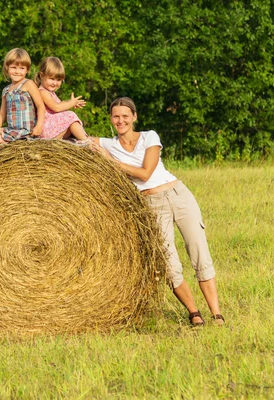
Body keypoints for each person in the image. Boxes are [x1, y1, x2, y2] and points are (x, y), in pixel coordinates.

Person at [95, 97, 225, 327]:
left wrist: (110, 162)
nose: (121, 120)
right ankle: (194, 313)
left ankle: (217, 314)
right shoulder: (108, 144)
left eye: (125, 116)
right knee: (169, 265)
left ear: (134, 117)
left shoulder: (149, 136)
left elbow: (145, 173)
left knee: (199, 254)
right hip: (151, 205)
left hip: (178, 196)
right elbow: (75, 137)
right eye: (116, 116)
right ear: (111, 119)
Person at [34, 56, 89, 143]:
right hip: (46, 130)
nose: (55, 83)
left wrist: (70, 103)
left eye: (59, 80)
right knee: (71, 116)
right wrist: (70, 103)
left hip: (53, 129)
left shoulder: (50, 92)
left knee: (72, 121)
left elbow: (60, 106)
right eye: (51, 79)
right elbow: (56, 107)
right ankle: (86, 142)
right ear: (42, 75)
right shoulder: (42, 92)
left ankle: (85, 140)